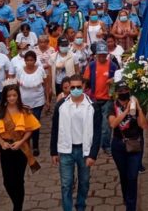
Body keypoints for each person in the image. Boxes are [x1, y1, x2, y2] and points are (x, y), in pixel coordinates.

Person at [0, 84, 41, 211]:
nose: (11, 98)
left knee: (19, 180)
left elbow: (30, 129)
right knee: (7, 182)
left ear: (18, 96)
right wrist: (1, 142)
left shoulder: (24, 110)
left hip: (21, 149)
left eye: (14, 95)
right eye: (9, 96)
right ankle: (17, 203)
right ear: (5, 96)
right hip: (6, 149)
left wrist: (21, 142)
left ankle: (17, 207)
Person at [50, 74, 103, 211]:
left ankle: (80, 206)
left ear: (84, 86)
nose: (75, 90)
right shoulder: (61, 106)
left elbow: (97, 132)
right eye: (72, 87)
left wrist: (93, 154)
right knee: (66, 184)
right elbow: (55, 128)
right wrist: (53, 151)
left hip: (84, 151)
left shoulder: (93, 106)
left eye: (78, 87)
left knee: (84, 182)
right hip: (66, 150)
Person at [108, 80, 148, 211]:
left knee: (132, 176)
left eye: (126, 90)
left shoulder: (136, 104)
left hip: (135, 144)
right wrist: (126, 112)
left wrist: (138, 108)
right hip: (118, 145)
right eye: (121, 91)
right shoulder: (112, 106)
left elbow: (143, 125)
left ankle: (131, 207)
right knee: (124, 174)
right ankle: (126, 197)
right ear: (116, 93)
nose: (124, 93)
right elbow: (113, 124)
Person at [83, 41, 119, 154]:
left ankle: (106, 145)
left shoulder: (113, 66)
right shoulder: (92, 65)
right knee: (92, 123)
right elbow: (85, 80)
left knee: (106, 126)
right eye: (100, 55)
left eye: (104, 54)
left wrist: (113, 80)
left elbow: (119, 79)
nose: (102, 57)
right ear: (96, 55)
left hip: (108, 100)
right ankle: (93, 145)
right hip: (94, 99)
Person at [17, 50, 49, 156]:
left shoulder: (40, 70)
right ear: (25, 61)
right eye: (27, 60)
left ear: (35, 61)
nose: (29, 62)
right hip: (24, 102)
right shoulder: (20, 70)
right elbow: (17, 86)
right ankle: (26, 144)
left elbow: (46, 85)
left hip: (38, 101)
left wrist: (47, 100)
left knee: (35, 124)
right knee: (25, 125)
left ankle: (35, 145)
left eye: (31, 60)